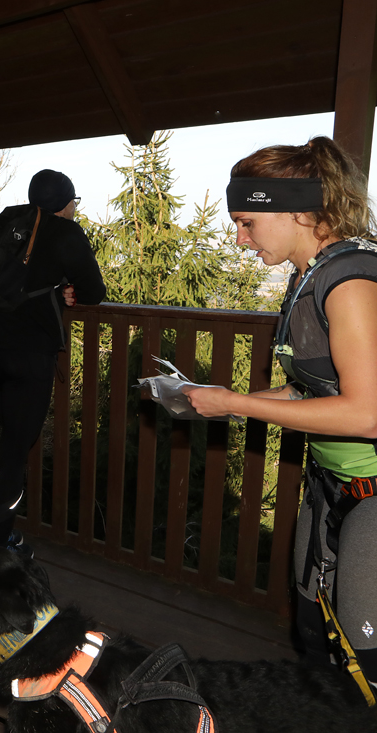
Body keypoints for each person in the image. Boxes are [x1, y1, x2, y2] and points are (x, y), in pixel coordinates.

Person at [185, 136, 377, 693]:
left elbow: (367, 413)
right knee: (315, 636)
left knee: (365, 660)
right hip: (330, 483)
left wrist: (234, 405)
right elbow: (309, 391)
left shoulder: (350, 280)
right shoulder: (307, 276)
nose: (239, 239)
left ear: (296, 210)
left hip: (371, 488)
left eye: (247, 223)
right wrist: (223, 396)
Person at [0, 169, 107, 553]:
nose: (74, 209)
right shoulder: (66, 232)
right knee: (15, 450)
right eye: (74, 202)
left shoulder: (10, 223)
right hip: (29, 359)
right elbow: (94, 291)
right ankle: (1, 544)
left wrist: (55, 288)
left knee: (12, 440)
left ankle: (1, 533)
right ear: (65, 204)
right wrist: (66, 288)